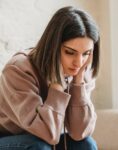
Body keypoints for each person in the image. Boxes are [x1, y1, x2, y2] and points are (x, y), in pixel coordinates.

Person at [0, 6, 100, 150]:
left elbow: (79, 133)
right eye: (70, 52)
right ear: (53, 46)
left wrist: (78, 84)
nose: (78, 62)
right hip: (9, 138)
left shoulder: (82, 70)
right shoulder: (18, 70)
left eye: (86, 53)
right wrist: (57, 85)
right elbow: (48, 133)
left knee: (87, 145)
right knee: (39, 146)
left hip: (47, 138)